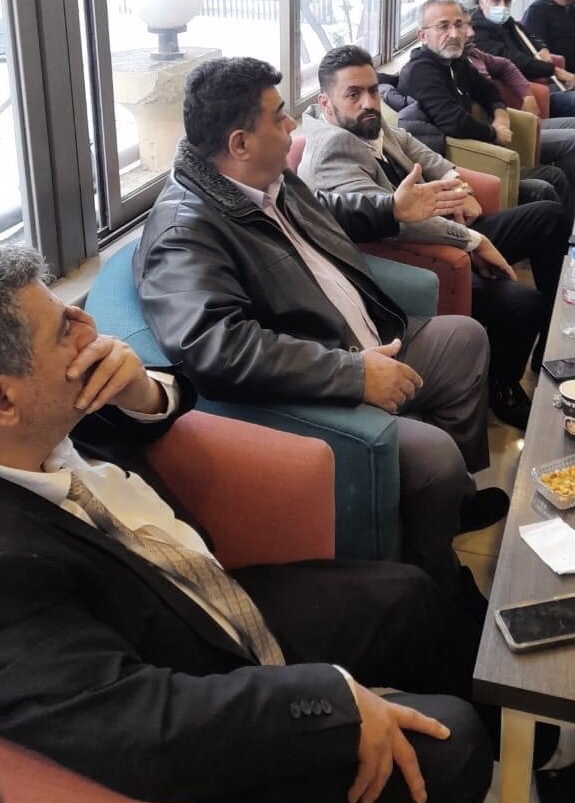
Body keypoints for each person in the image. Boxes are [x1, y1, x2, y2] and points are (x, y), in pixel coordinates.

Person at [0, 244, 495, 803]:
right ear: (4, 401)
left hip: (209, 594)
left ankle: (530, 728)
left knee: (411, 595)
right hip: (194, 676)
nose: (88, 324)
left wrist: (143, 390)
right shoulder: (10, 567)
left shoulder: (46, 422)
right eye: (65, 327)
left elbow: (159, 407)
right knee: (454, 743)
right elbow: (131, 721)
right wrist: (333, 701)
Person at [133, 56, 508, 602]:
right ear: (240, 143)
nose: (292, 125)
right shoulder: (184, 231)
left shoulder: (268, 178)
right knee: (434, 458)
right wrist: (353, 374)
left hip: (363, 336)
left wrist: (391, 208)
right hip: (322, 377)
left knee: (466, 341)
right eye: (279, 116)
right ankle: (437, 581)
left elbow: (326, 209)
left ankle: (451, 505)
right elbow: (217, 347)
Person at [299, 44, 568, 430]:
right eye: (353, 94)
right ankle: (503, 388)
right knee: (523, 303)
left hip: (441, 227)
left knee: (548, 215)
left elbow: (416, 149)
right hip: (414, 253)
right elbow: (394, 220)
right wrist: (471, 240)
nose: (369, 102)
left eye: (372, 90)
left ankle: (557, 334)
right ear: (326, 103)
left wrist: (457, 184)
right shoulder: (332, 150)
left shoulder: (368, 122)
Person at [397, 0, 575, 221]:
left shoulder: (456, 62)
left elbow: (490, 91)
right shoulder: (421, 71)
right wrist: (494, 133)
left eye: (459, 25)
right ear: (422, 35)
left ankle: (572, 230)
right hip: (454, 163)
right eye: (443, 26)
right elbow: (454, 123)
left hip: (482, 150)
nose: (455, 34)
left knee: (555, 172)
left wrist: (500, 116)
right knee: (548, 182)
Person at [471, 0, 575, 126]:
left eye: (507, 1)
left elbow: (531, 36)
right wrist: (553, 70)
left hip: (537, 79)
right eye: (496, 1)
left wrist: (542, 47)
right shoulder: (477, 30)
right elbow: (513, 60)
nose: (502, 6)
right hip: (520, 88)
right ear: (482, 1)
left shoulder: (507, 22)